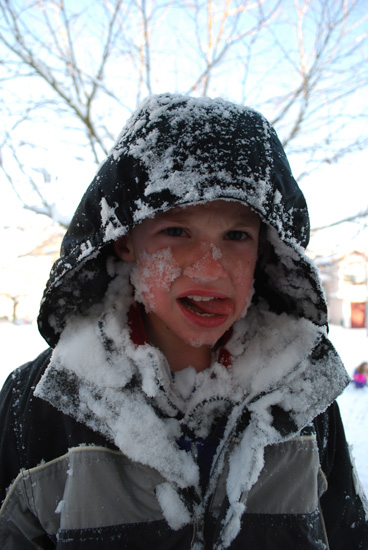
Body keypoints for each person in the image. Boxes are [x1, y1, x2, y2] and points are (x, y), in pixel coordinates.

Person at [0, 93, 367, 549]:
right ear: (125, 241)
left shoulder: (303, 397)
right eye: (176, 231)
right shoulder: (38, 403)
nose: (211, 268)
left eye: (236, 235)